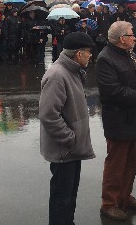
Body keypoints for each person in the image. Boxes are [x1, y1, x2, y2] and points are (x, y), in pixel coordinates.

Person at [96, 21, 136, 221]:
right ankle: (109, 203)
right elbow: (114, 91)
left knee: (130, 161)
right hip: (118, 119)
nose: (135, 37)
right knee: (116, 163)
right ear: (122, 39)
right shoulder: (105, 59)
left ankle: (125, 196)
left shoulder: (129, 53)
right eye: (132, 35)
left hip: (133, 118)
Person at [39, 32, 96, 225]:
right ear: (78, 53)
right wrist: (69, 138)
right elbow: (49, 115)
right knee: (61, 199)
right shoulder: (57, 75)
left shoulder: (73, 71)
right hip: (65, 148)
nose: (91, 56)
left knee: (69, 196)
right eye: (88, 52)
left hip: (72, 148)